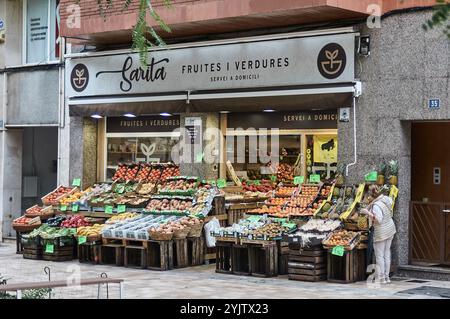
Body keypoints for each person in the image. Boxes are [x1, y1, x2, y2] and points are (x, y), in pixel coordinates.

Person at [361, 185, 396, 284]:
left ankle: (381, 278)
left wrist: (367, 212)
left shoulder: (376, 206)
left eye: (368, 197)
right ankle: (387, 277)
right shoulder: (386, 199)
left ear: (372, 197)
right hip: (390, 228)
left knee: (380, 255)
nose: (368, 199)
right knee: (386, 253)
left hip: (382, 231)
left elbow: (378, 220)